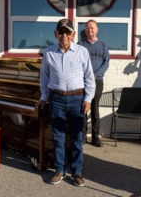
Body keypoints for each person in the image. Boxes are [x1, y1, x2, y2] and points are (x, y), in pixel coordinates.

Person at [38, 19, 95, 187]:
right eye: (61, 32)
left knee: (77, 137)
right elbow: (44, 77)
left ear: (73, 34)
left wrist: (88, 99)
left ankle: (76, 172)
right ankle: (60, 170)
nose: (64, 35)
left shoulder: (82, 52)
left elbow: (89, 77)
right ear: (56, 34)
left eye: (67, 32)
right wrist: (43, 96)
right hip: (56, 99)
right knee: (58, 137)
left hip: (77, 99)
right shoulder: (49, 53)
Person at [78, 20, 110, 147]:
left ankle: (95, 137)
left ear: (97, 30)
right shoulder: (80, 45)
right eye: (87, 28)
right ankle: (83, 136)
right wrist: (86, 75)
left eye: (92, 28)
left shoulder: (103, 45)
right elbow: (76, 62)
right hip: (82, 81)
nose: (89, 30)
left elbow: (106, 63)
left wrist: (95, 74)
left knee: (95, 108)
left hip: (97, 81)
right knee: (83, 107)